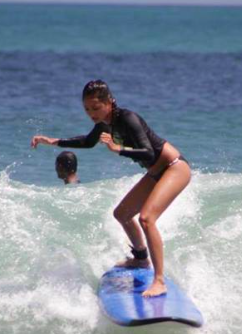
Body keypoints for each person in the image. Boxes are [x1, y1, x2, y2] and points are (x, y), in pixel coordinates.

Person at [30, 80, 191, 297]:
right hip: (155, 172)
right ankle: (141, 259)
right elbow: (87, 142)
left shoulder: (128, 118)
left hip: (174, 167)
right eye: (87, 109)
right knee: (122, 214)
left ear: (109, 102)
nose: (91, 114)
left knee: (146, 218)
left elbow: (149, 153)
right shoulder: (104, 124)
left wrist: (118, 149)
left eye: (96, 108)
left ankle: (159, 281)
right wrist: (53, 141)